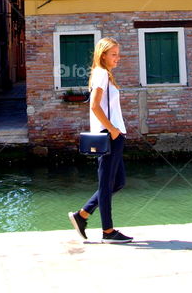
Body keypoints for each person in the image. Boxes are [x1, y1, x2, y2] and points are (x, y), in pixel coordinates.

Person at [68, 37, 133, 243]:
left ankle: (83, 215)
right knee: (106, 184)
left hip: (115, 135)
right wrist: (113, 129)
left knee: (118, 182)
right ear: (103, 55)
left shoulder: (104, 74)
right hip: (109, 135)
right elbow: (95, 106)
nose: (118, 58)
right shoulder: (102, 74)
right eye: (114, 54)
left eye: (118, 54)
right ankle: (108, 232)